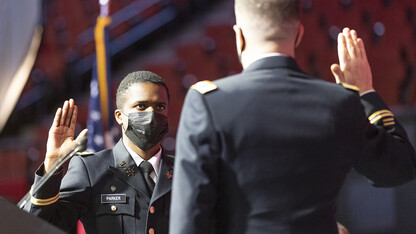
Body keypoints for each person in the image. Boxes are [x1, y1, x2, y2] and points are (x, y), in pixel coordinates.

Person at [169, 0, 416, 233]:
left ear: (239, 36)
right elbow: (399, 168)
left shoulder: (208, 102)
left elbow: (188, 221)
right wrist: (366, 93)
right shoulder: (339, 102)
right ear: (299, 33)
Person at [24, 71, 173, 234]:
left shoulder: (184, 170)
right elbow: (40, 226)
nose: (151, 114)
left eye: (160, 107)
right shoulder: (91, 169)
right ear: (119, 116)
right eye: (141, 106)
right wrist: (52, 164)